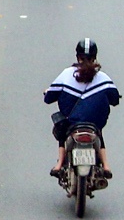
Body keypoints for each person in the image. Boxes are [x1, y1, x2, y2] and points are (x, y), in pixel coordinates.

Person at [45, 38, 119, 177]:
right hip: (94, 124)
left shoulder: (66, 74)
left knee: (63, 128)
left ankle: (59, 163)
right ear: (95, 57)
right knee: (98, 131)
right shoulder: (103, 78)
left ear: (77, 56)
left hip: (72, 123)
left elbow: (48, 98)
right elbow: (114, 99)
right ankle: (106, 166)